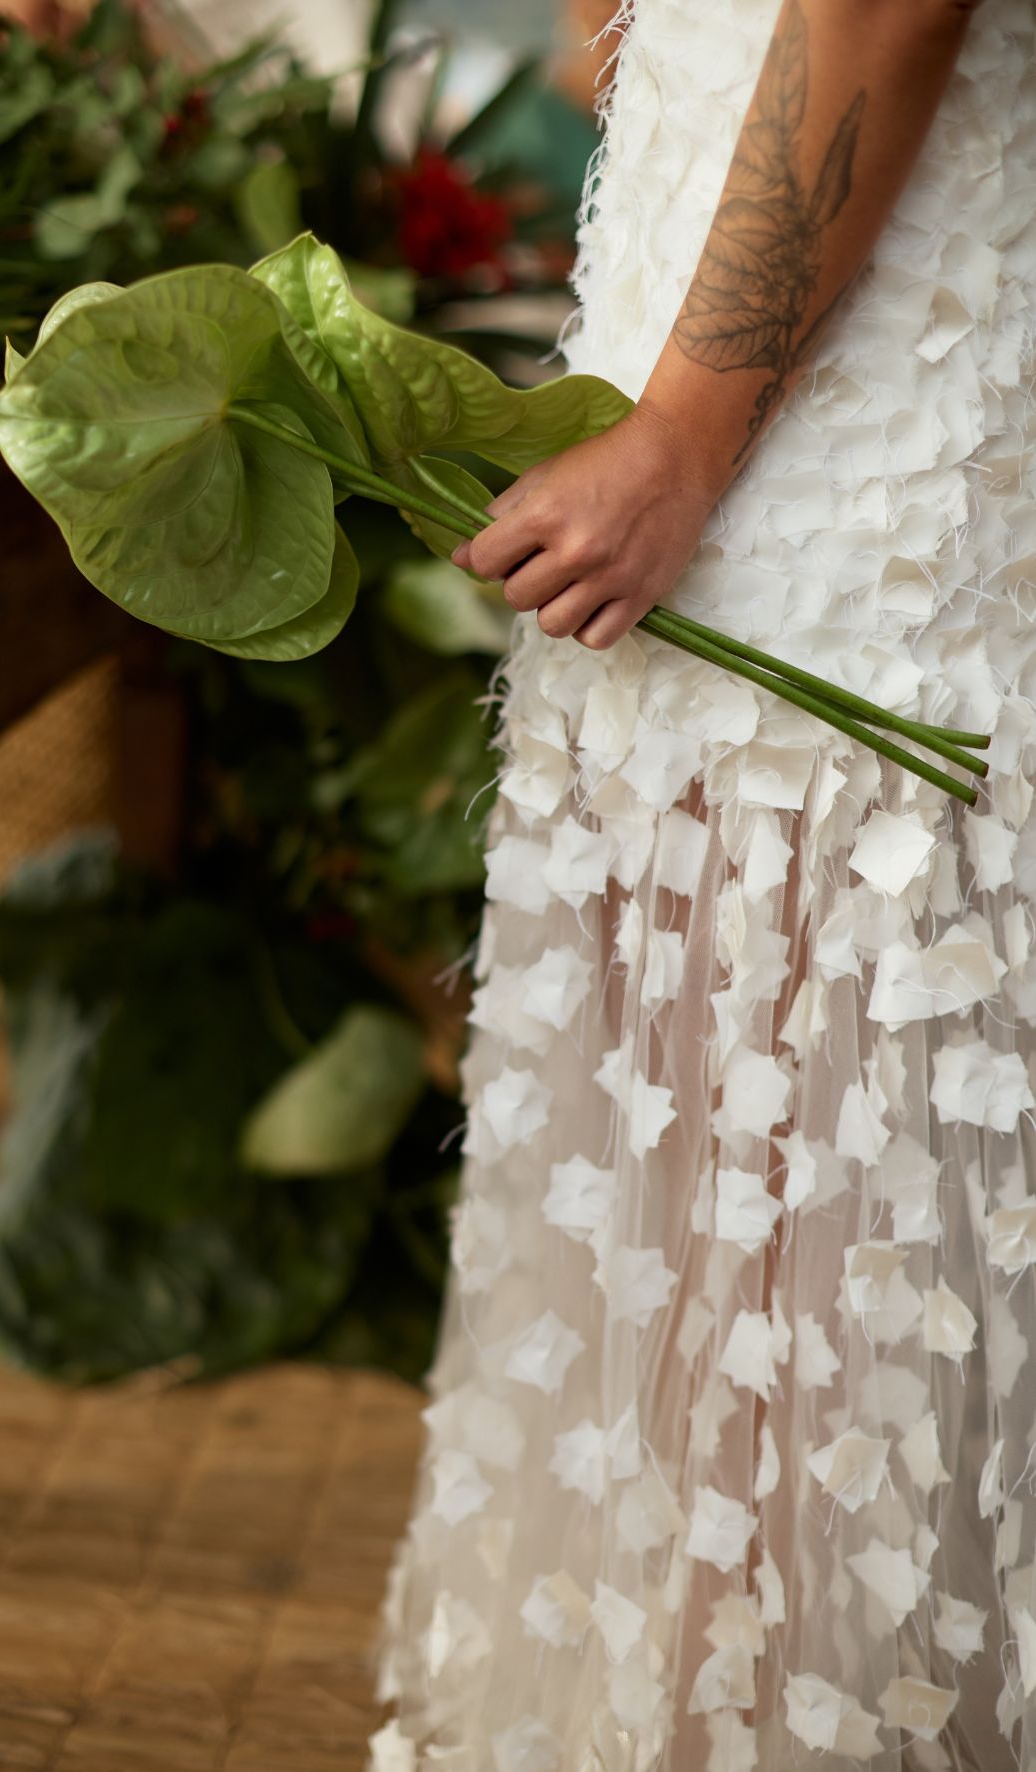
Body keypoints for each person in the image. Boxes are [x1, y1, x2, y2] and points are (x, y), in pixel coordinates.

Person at [367, 0, 1036, 1765]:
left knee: (815, 1244)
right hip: (732, 327)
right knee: (714, 1210)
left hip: (848, 413)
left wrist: (679, 429)